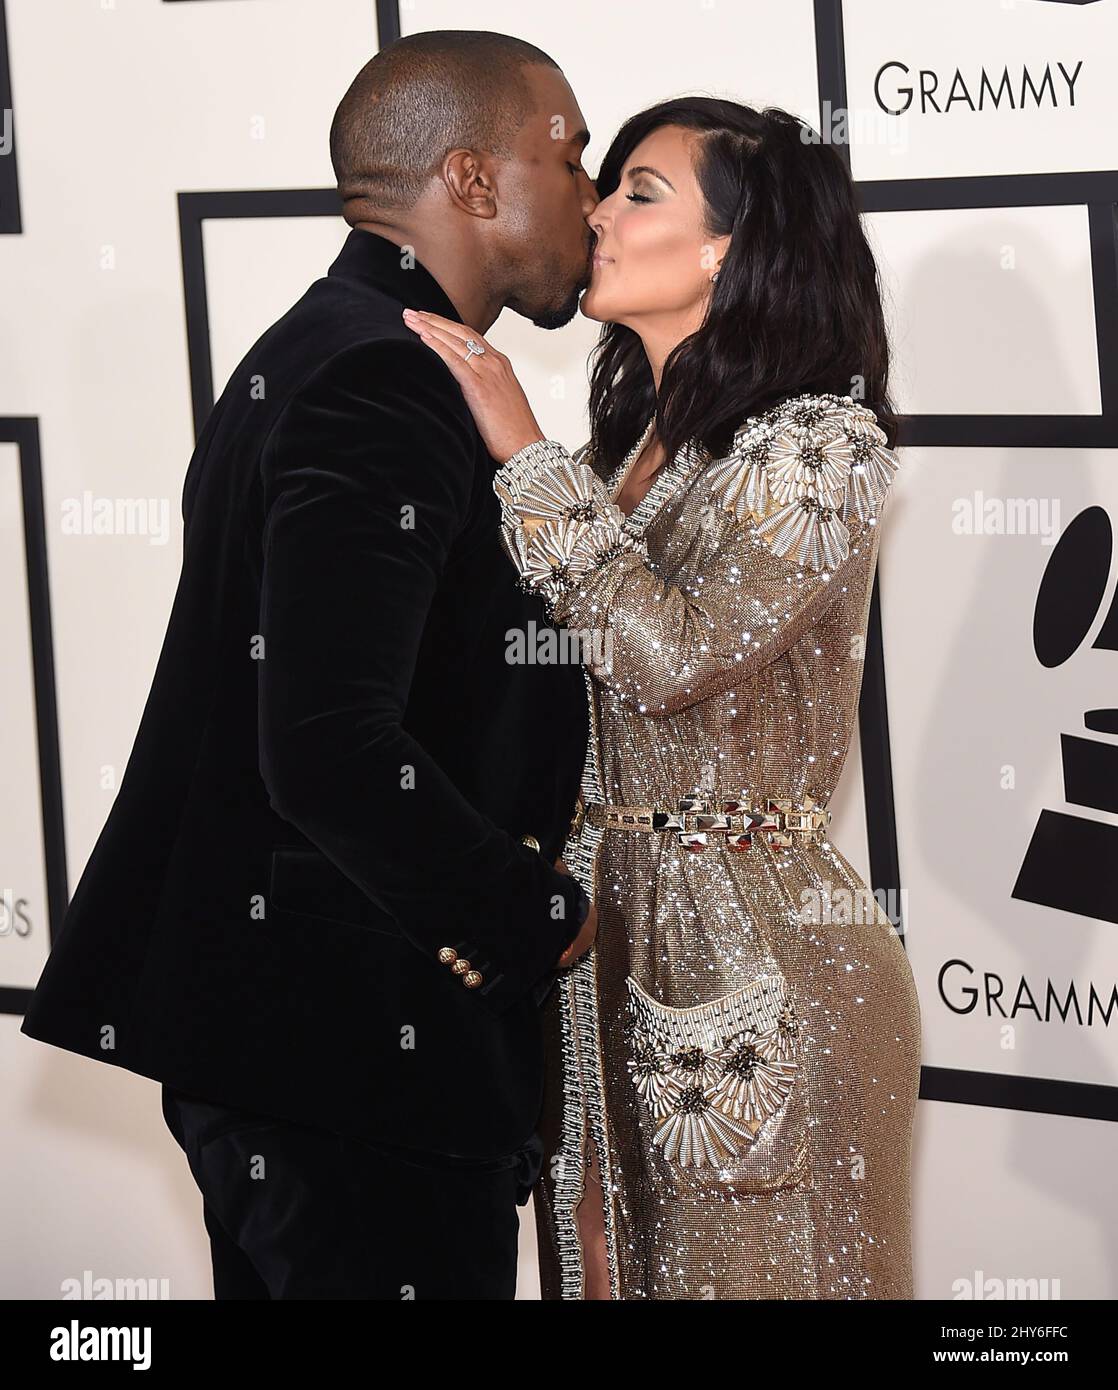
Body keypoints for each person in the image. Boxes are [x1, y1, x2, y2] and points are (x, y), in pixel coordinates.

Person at [19, 31, 602, 1300]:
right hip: (347, 1063)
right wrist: (529, 912)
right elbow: (330, 746)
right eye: (571, 155)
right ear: (471, 178)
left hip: (313, 1061)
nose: (591, 194)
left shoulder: (337, 347)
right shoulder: (383, 377)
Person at [403, 97, 923, 1300]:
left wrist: (520, 456)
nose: (593, 209)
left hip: (751, 934)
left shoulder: (820, 447)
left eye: (639, 191)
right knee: (594, 1261)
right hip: (589, 921)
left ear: (733, 253)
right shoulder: (610, 450)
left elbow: (673, 655)